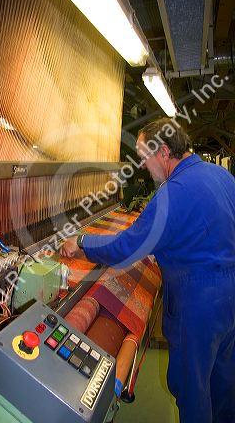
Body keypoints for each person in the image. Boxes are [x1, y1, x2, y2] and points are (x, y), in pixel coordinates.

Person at [60, 118, 235, 423]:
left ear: (164, 151)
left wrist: (82, 243)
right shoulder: (223, 177)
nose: (142, 165)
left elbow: (127, 247)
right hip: (230, 300)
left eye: (144, 156)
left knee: (192, 389)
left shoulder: (172, 195)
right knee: (224, 381)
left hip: (198, 307)